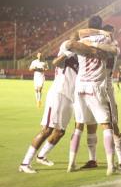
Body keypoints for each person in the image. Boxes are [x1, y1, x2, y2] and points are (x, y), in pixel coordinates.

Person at [66, 15, 119, 176]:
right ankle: (110, 166)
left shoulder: (81, 41)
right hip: (96, 86)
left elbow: (68, 44)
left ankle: (71, 164)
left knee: (78, 126)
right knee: (106, 126)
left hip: (80, 86)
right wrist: (96, 48)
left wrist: (86, 47)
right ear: (101, 26)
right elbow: (114, 51)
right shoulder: (106, 40)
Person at [19, 41, 79, 173]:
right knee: (47, 129)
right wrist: (68, 53)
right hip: (58, 95)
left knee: (60, 132)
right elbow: (55, 62)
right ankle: (25, 163)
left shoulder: (80, 60)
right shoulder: (67, 56)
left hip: (70, 99)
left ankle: (41, 156)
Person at [80, 24, 121, 174]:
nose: (109, 35)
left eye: (110, 33)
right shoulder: (101, 42)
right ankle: (92, 159)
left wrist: (92, 43)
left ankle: (120, 163)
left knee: (113, 125)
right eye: (107, 33)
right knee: (90, 124)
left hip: (105, 87)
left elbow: (112, 50)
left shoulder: (112, 45)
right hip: (91, 87)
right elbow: (80, 34)